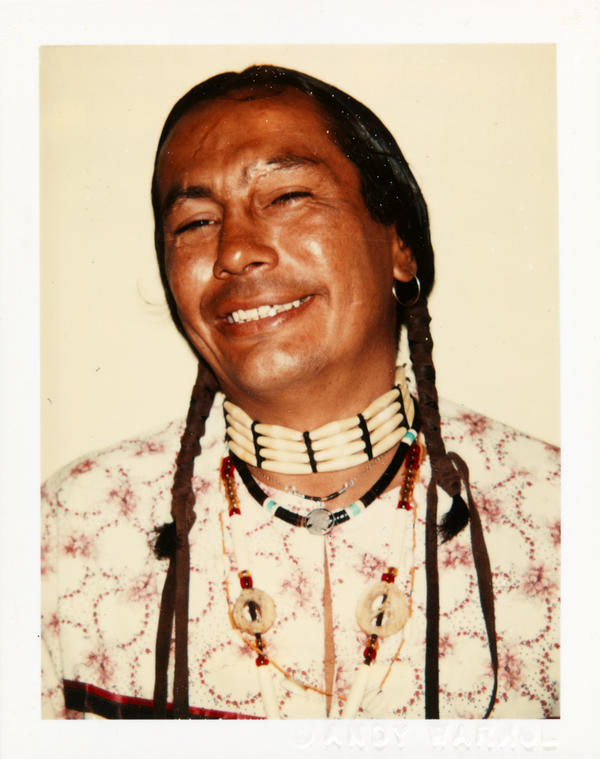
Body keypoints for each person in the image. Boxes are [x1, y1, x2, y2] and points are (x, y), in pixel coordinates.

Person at [41, 65, 560, 720]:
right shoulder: (67, 529)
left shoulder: (557, 520)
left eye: (287, 196)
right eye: (195, 222)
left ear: (400, 244)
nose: (235, 252)